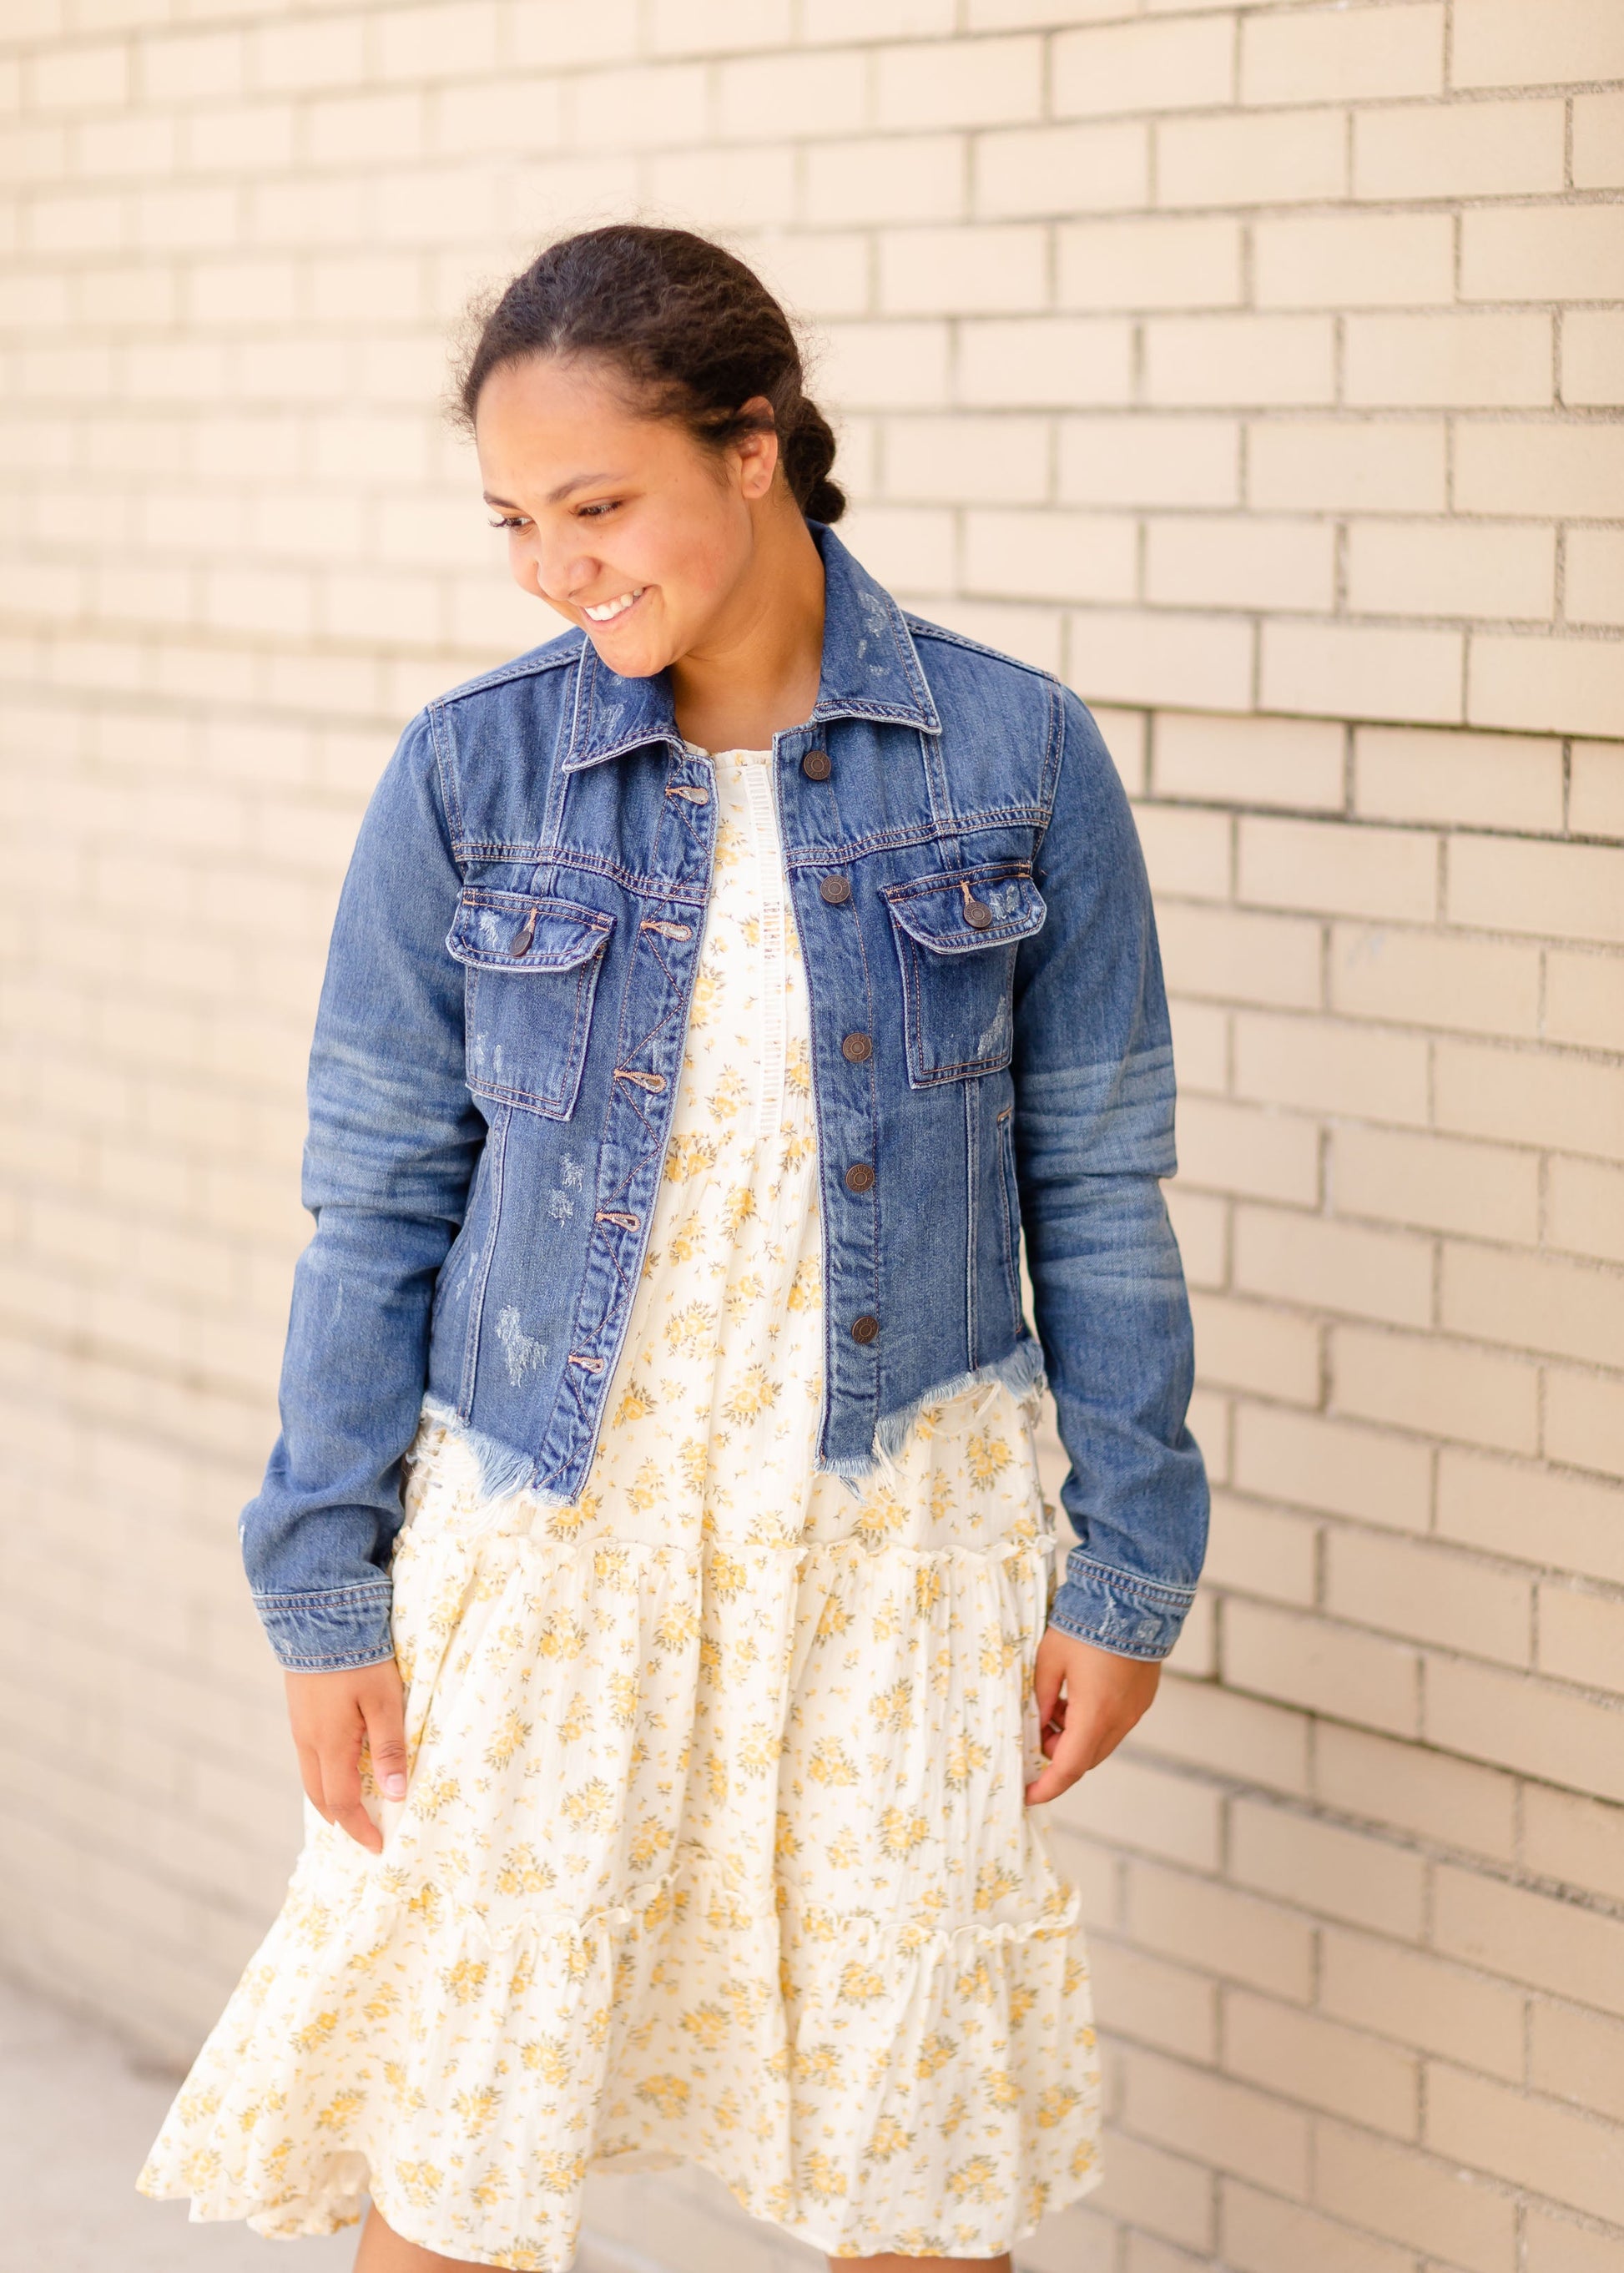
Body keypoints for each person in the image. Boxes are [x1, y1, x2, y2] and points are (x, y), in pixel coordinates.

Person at [136, 224, 1208, 2273]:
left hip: (890, 1538)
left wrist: (1130, 1561)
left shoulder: (1017, 759)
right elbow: (373, 1206)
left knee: (914, 2150)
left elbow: (1093, 1184)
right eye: (516, 521)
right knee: (458, 2137)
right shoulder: (473, 776)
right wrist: (325, 1587)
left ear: (756, 446)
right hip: (550, 1529)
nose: (557, 568)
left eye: (597, 505)